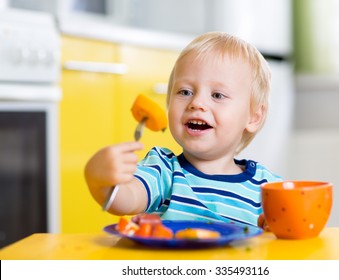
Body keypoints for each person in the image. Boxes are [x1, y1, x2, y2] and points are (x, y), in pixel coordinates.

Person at [84, 31, 282, 228]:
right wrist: (100, 181)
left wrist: (278, 231)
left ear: (253, 116)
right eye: (185, 92)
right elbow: (126, 199)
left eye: (217, 95)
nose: (196, 103)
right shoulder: (163, 171)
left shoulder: (268, 190)